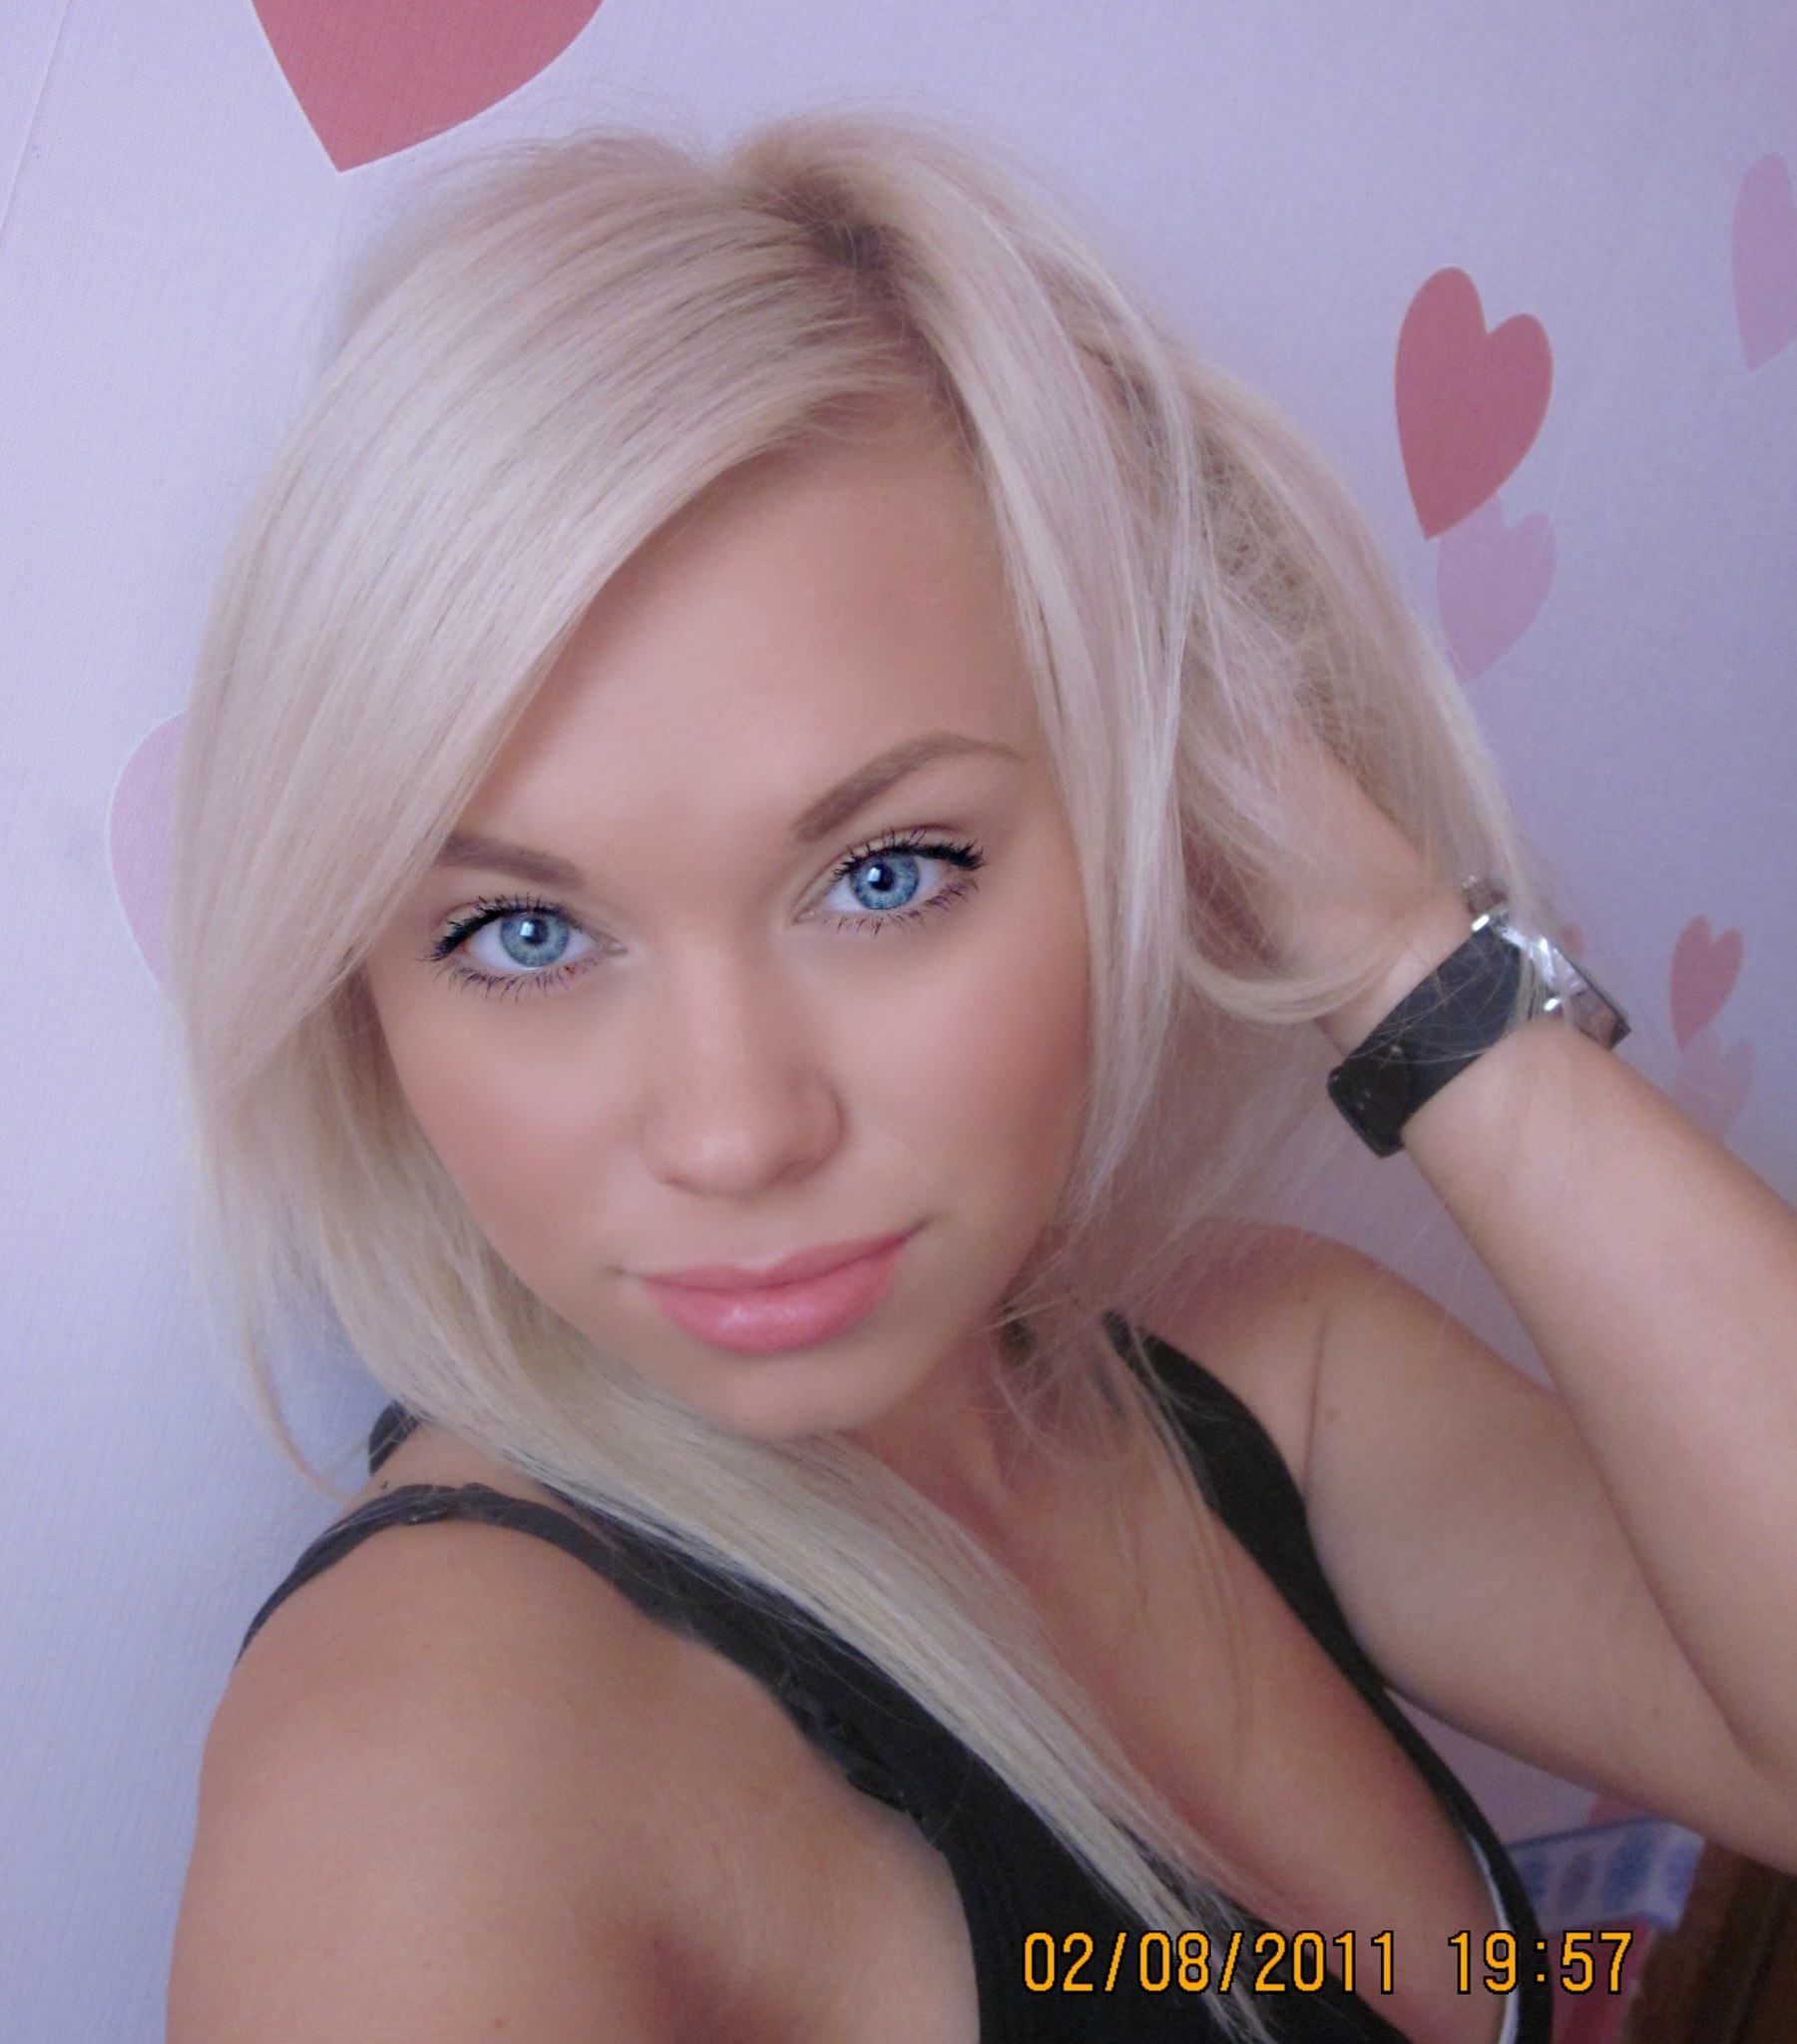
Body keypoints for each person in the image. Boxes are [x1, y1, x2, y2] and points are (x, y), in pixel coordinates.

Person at [163, 111, 1797, 2044]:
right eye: (522, 933)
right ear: (361, 993)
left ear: (1126, 822)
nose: (735, 1131)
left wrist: (1386, 952)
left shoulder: (1250, 1366)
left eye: (884, 874)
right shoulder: (422, 1772)